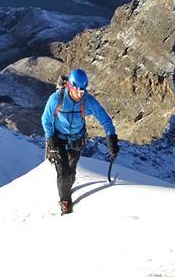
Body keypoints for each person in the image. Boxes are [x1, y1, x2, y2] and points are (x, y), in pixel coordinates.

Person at [41, 68, 119, 215]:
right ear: (70, 86)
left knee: (71, 171)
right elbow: (46, 119)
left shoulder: (87, 101)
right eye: (77, 90)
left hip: (77, 140)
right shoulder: (57, 98)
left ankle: (68, 183)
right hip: (59, 140)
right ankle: (65, 201)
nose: (80, 94)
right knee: (63, 173)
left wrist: (112, 140)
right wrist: (51, 138)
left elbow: (105, 119)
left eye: (82, 90)